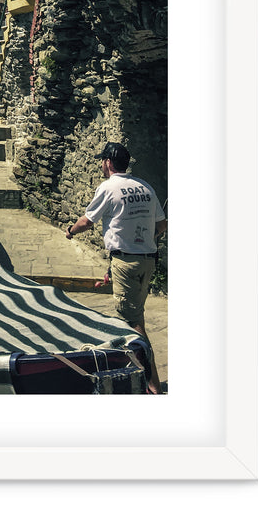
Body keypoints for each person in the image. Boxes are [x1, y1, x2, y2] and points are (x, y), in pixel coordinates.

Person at [64, 142, 166, 393]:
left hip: (126, 261)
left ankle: (152, 385)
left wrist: (70, 231)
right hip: (147, 260)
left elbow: (87, 221)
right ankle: (141, 377)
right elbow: (161, 225)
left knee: (132, 323)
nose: (101, 164)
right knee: (136, 314)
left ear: (108, 162)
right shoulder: (145, 187)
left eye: (102, 160)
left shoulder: (109, 187)